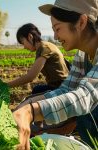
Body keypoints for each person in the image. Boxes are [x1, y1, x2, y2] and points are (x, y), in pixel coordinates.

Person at [13, 0, 98, 149]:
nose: (55, 36)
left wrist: (31, 111)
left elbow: (85, 96)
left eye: (57, 29)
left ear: (81, 22)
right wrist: (25, 106)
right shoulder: (82, 54)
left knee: (87, 113)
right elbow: (67, 89)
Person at [7, 23, 70, 94]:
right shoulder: (44, 46)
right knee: (37, 90)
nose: (24, 47)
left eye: (23, 42)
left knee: (35, 94)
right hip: (59, 84)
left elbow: (30, 77)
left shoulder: (44, 48)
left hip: (61, 87)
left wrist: (5, 86)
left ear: (30, 37)